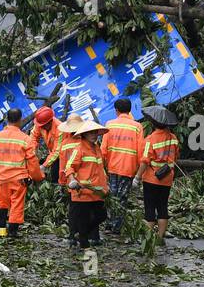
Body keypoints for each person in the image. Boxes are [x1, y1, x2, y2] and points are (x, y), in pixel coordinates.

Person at [0, 109, 43, 238]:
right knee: (16, 205)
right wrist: (37, 177)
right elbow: (32, 162)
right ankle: (12, 232)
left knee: (1, 204)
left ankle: (1, 231)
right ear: (20, 120)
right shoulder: (25, 139)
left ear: (7, 119)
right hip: (19, 179)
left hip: (1, 178)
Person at [59, 116, 109, 249]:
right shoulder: (79, 149)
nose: (94, 135)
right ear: (84, 134)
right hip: (83, 192)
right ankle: (83, 247)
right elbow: (69, 167)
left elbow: (100, 168)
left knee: (101, 215)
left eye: (95, 132)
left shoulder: (96, 148)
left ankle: (81, 235)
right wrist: (72, 180)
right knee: (82, 220)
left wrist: (105, 185)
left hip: (96, 191)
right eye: (90, 133)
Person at [138, 105, 180, 242]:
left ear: (152, 123)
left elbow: (145, 161)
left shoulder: (150, 140)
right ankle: (159, 237)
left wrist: (137, 177)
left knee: (150, 209)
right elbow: (176, 156)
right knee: (163, 207)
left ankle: (148, 240)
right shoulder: (173, 138)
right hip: (167, 178)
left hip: (151, 179)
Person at [100, 98, 142, 234]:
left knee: (111, 195)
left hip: (112, 166)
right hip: (129, 168)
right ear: (130, 110)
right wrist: (139, 173)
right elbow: (141, 150)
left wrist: (102, 167)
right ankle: (117, 227)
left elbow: (103, 149)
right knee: (122, 197)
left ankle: (109, 224)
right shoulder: (137, 126)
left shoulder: (109, 125)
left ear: (116, 110)